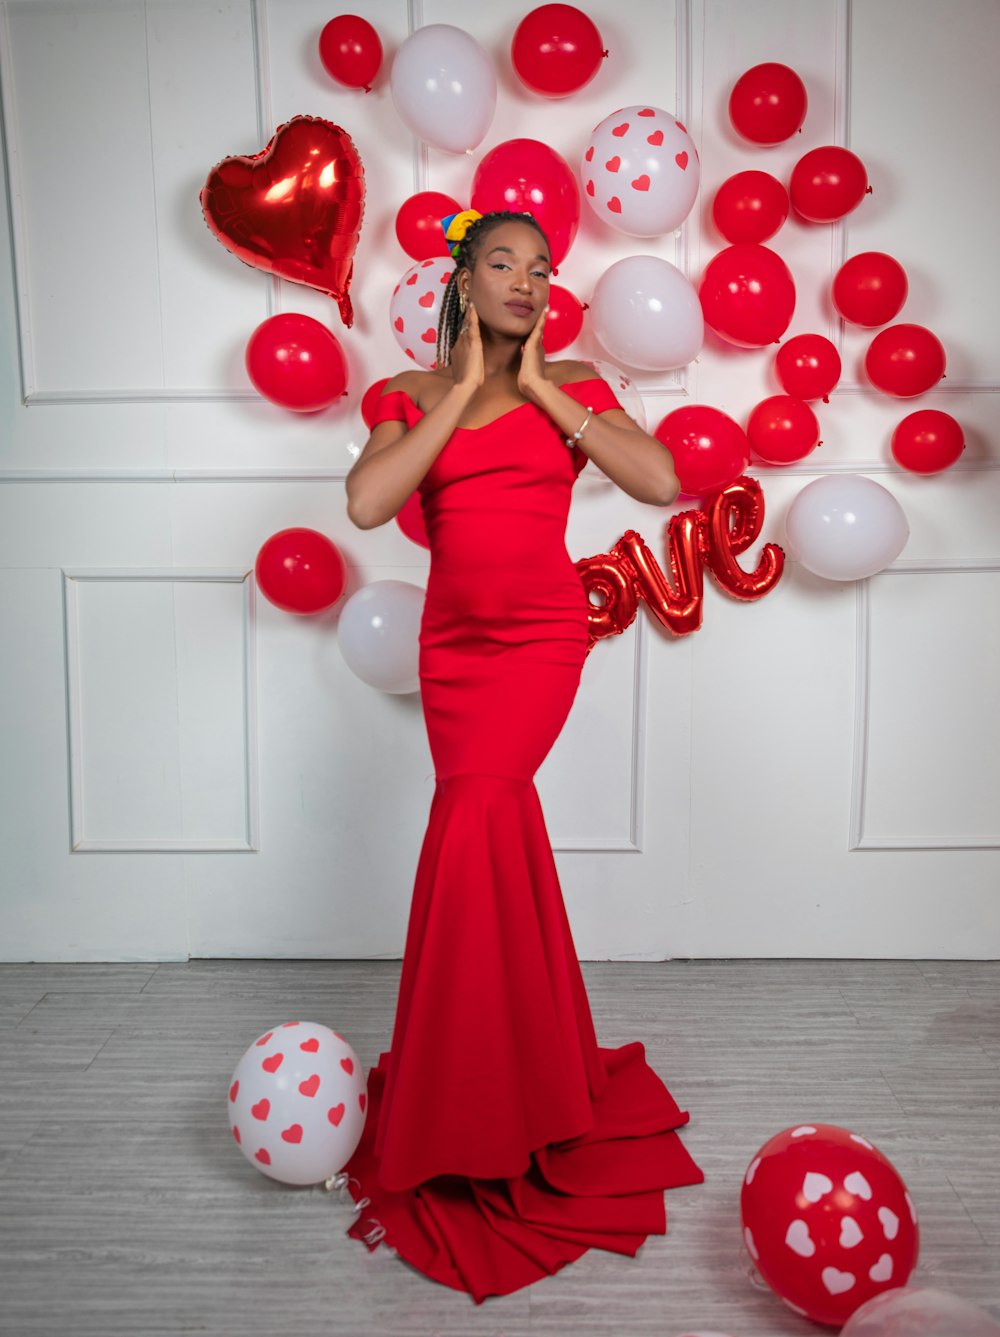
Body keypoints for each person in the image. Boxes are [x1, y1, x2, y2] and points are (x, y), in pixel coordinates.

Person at [341, 209, 703, 1303]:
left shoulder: (578, 381)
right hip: (452, 647)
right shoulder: (404, 392)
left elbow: (658, 482)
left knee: (480, 815)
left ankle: (481, 1096)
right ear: (462, 276)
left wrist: (543, 387)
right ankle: (511, 1077)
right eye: (504, 263)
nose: (528, 280)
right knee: (481, 826)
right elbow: (366, 501)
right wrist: (460, 387)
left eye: (542, 269)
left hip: (540, 639)